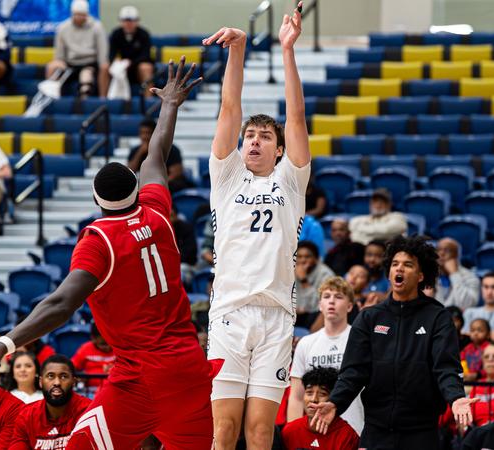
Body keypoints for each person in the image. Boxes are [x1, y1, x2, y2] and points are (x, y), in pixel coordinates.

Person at [0, 60, 213, 449]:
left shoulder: (99, 240)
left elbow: (60, 304)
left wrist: (3, 345)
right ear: (136, 191)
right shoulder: (157, 210)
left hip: (140, 375)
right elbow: (156, 156)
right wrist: (170, 105)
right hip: (189, 368)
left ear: (97, 200)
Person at [201, 8, 311, 448]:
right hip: (228, 312)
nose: (254, 141)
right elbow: (230, 106)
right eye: (251, 135)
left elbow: (297, 117)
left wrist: (287, 50)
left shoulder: (291, 179)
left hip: (276, 316)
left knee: (261, 430)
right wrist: (238, 50)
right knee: (223, 429)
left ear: (280, 149)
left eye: (265, 136)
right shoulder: (226, 176)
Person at [309, 235, 477, 447]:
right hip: (376, 430)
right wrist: (335, 402)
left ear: (420, 275)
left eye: (408, 265)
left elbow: (445, 368)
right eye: (395, 264)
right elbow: (353, 372)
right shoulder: (369, 318)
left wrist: (455, 397)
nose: (399, 269)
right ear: (388, 272)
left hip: (422, 432)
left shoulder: (438, 317)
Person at [288, 277, 364, 434]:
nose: (331, 301)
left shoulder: (361, 340)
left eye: (338, 297)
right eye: (327, 296)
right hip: (314, 430)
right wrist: (295, 434)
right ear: (320, 305)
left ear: (350, 306)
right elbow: (296, 396)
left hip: (354, 427)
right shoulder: (306, 343)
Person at [9, 355, 92, 450]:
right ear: (40, 381)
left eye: (64, 376)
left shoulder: (88, 412)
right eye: (50, 376)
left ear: (74, 382)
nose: (57, 382)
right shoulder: (26, 416)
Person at [282, 367, 359, 450]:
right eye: (309, 393)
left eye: (322, 394)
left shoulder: (347, 435)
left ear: (333, 399)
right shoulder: (289, 431)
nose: (314, 399)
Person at [47, 0, 109, 97]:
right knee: (52, 67)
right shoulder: (63, 28)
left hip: (89, 64)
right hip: (69, 64)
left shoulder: (97, 27)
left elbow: (102, 56)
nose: (80, 17)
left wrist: (102, 66)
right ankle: (51, 98)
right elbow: (59, 55)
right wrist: (60, 62)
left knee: (86, 77)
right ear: (72, 14)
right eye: (77, 15)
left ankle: (87, 102)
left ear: (86, 14)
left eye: (82, 15)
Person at [128, 119, 189, 193]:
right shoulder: (136, 150)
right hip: (147, 185)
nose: (144, 137)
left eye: (147, 133)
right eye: (142, 133)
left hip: (168, 183)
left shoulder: (171, 149)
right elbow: (130, 172)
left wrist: (157, 185)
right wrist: (140, 153)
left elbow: (176, 173)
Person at [108, 6, 155, 96]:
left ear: (137, 21)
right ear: (121, 22)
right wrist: (116, 62)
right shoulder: (116, 34)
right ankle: (104, 99)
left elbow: (146, 55)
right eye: (125, 21)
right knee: (105, 66)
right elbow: (111, 53)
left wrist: (131, 62)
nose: (128, 24)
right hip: (123, 68)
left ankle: (148, 100)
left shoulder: (144, 34)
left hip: (137, 68)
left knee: (145, 67)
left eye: (131, 21)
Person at [295, 241, 336, 329]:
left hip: (315, 315)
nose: (303, 260)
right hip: (295, 313)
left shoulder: (326, 274)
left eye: (307, 256)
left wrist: (304, 280)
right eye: (299, 256)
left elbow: (319, 305)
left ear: (316, 259)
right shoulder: (291, 270)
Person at [434, 237, 480, 311]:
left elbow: (466, 304)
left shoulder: (471, 277)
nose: (441, 253)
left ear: (456, 255)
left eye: (447, 250)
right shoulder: (428, 276)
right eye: (438, 250)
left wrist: (454, 274)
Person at [71, 322, 114, 388]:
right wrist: (80, 377)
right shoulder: (85, 348)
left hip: (114, 389)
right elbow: (70, 367)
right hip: (90, 391)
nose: (108, 347)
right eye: (103, 344)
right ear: (93, 338)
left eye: (111, 342)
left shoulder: (119, 348)